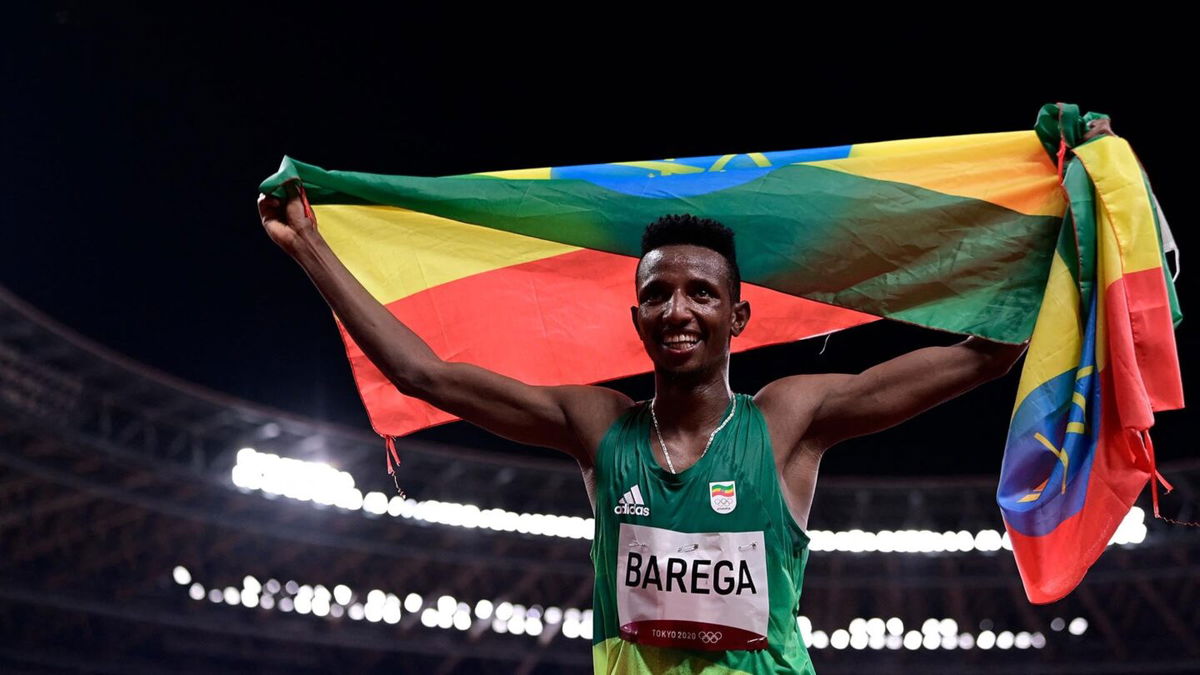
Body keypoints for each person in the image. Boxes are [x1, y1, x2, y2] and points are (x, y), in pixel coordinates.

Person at [258, 187, 1026, 674]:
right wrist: (308, 248)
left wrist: (1074, 218)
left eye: (701, 292)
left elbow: (986, 356)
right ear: (637, 318)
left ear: (738, 315)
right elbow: (424, 374)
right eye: (657, 293)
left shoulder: (788, 419)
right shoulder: (595, 427)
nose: (678, 310)